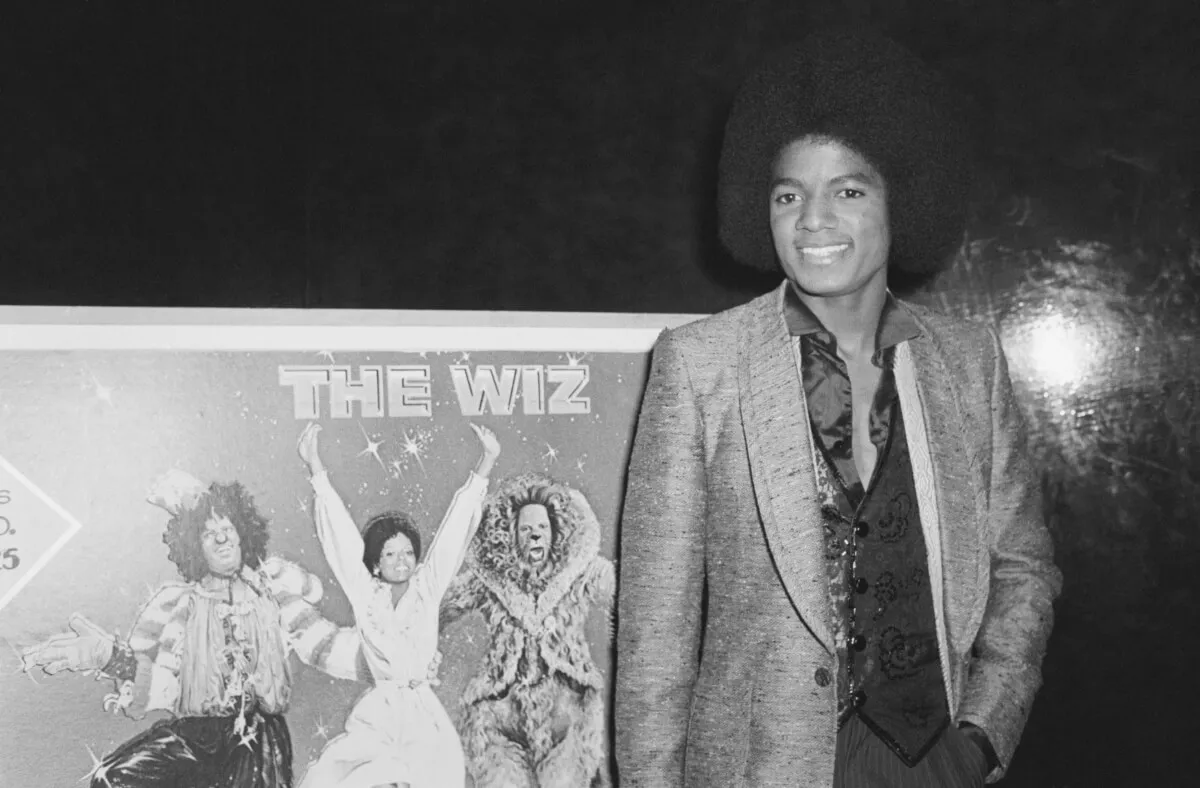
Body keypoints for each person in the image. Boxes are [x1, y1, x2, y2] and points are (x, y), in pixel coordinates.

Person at [614, 28, 1063, 788]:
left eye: (847, 191)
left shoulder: (969, 361)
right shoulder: (700, 365)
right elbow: (655, 634)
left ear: (902, 201)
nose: (812, 220)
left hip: (931, 763)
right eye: (789, 195)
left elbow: (1022, 570)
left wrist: (981, 737)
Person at [22, 469, 368, 788]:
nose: (221, 538)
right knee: (113, 778)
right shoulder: (178, 605)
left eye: (227, 528)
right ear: (193, 546)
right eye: (208, 533)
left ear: (243, 533)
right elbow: (156, 675)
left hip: (257, 736)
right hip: (195, 732)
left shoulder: (273, 593)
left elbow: (328, 646)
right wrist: (107, 656)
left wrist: (401, 655)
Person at [295, 421, 501, 788]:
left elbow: (454, 535)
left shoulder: (428, 587)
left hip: (423, 715)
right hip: (382, 713)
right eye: (391, 554)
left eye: (408, 552)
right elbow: (341, 541)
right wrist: (316, 469)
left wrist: (485, 464)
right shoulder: (365, 591)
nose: (402, 561)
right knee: (368, 776)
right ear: (376, 562)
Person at [439, 472, 615, 787]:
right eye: (526, 529)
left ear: (555, 533)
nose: (535, 536)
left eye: (542, 528)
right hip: (502, 712)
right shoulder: (491, 582)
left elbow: (625, 596)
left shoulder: (581, 572)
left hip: (566, 711)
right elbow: (435, 610)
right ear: (511, 535)